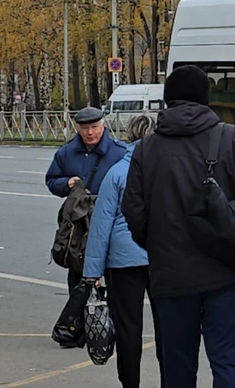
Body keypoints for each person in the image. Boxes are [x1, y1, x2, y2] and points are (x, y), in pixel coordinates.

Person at [123, 65, 235, 388]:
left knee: (177, 368)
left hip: (170, 280)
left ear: (168, 101)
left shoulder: (146, 149)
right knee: (227, 363)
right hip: (226, 276)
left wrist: (160, 246)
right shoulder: (234, 140)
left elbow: (134, 214)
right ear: (206, 100)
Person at [83, 115, 164, 388]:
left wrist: (93, 271)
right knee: (168, 326)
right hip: (162, 258)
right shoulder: (167, 171)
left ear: (128, 136)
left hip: (123, 261)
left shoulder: (117, 172)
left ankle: (130, 384)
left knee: (129, 328)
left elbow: (101, 224)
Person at [45, 106, 128, 292]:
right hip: (79, 225)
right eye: (85, 128)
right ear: (77, 128)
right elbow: (51, 180)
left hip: (110, 223)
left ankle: (112, 317)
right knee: (78, 280)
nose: (90, 132)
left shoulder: (120, 152)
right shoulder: (66, 153)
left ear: (103, 126)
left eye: (95, 127)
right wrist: (67, 183)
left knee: (114, 279)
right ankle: (78, 317)